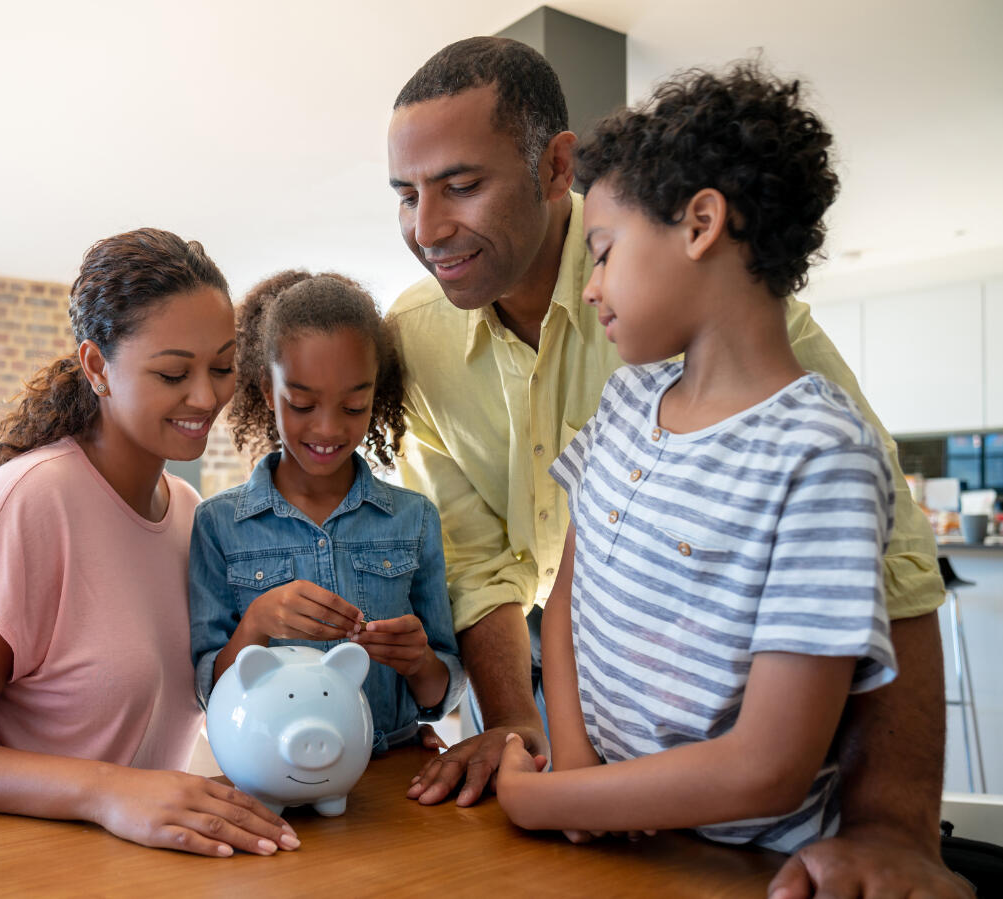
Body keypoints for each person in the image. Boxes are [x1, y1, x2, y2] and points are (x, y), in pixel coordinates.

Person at [386, 36, 966, 896]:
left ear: (555, 169)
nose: (425, 227)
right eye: (405, 194)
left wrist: (895, 826)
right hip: (602, 798)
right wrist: (531, 735)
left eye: (461, 185)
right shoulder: (427, 344)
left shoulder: (793, 404)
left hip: (756, 840)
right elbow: (489, 567)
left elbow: (898, 573)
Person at [493, 61, 898, 853]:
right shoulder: (624, 401)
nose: (589, 288)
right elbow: (568, 597)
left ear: (699, 223)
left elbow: (767, 767)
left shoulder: (821, 457)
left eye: (603, 252)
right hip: (608, 835)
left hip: (740, 862)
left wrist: (540, 802)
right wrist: (573, 769)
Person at [0, 229, 300, 859]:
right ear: (97, 367)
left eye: (223, 367)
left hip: (85, 863)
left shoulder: (192, 516)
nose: (206, 397)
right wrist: (110, 792)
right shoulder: (25, 506)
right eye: (174, 372)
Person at [189, 270, 464, 754]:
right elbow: (209, 694)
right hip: (274, 777)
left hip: (393, 776)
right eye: (301, 403)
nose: (328, 427)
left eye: (354, 406)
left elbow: (439, 697)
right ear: (265, 389)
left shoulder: (414, 519)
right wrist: (256, 622)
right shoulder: (217, 526)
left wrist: (419, 661)